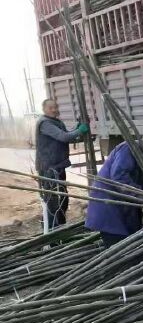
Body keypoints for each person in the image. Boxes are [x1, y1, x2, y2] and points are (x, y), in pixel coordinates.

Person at [85, 129, 143, 248]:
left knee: (130, 245)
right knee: (118, 250)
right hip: (109, 205)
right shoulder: (129, 149)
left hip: (123, 207)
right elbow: (119, 177)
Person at [35, 99, 89, 231]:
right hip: (49, 168)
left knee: (63, 199)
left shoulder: (57, 122)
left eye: (55, 107)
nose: (54, 110)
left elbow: (68, 136)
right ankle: (52, 231)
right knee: (52, 201)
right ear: (44, 109)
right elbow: (63, 137)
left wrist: (78, 128)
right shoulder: (45, 123)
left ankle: (60, 227)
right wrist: (79, 130)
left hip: (58, 166)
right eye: (50, 108)